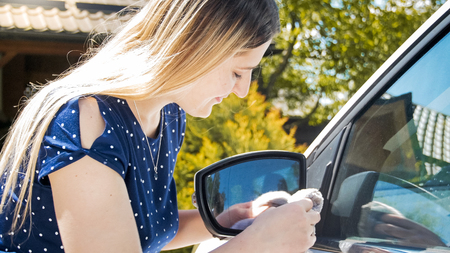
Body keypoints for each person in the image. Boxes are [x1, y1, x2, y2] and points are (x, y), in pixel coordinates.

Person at [0, 0, 320, 252]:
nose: (243, 90)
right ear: (193, 49)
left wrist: (231, 220)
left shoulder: (169, 116)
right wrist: (255, 247)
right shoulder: (88, 122)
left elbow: (138, 233)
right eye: (238, 72)